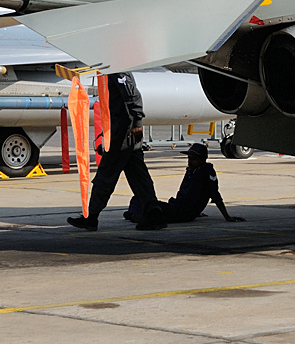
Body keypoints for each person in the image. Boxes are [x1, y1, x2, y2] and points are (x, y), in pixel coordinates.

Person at [68, 72, 165, 231]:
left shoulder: (117, 69)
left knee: (106, 174)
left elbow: (132, 95)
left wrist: (137, 121)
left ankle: (91, 216)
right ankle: (154, 214)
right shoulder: (112, 69)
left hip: (123, 132)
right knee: (138, 174)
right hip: (122, 129)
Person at [128, 142, 243, 223]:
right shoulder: (191, 171)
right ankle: (136, 215)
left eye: (193, 159)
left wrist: (227, 216)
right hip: (178, 207)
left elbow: (215, 194)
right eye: (189, 158)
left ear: (202, 160)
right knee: (138, 199)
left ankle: (136, 216)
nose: (190, 161)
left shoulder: (206, 172)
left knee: (149, 208)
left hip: (182, 212)